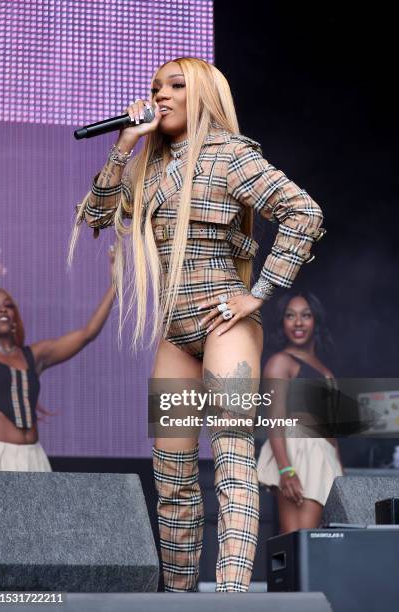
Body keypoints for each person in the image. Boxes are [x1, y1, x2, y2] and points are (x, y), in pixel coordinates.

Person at [73, 57, 324, 592]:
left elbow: (304, 212)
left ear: (204, 95)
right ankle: (180, 600)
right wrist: (124, 144)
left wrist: (258, 294)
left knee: (233, 460)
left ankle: (231, 597)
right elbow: (96, 217)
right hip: (175, 332)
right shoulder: (147, 166)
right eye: (154, 87)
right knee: (172, 476)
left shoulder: (231, 156)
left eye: (175, 86)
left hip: (222, 323)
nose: (159, 95)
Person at [0, 248, 116, 471]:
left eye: (8, 305)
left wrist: (115, 283)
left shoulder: (33, 356)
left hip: (33, 457)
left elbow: (87, 333)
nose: (2, 308)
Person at [257, 292, 343, 533]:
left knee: (323, 543)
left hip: (324, 455)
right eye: (290, 316)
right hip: (298, 452)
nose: (298, 322)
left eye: (305, 315)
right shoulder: (280, 362)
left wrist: (339, 471)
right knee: (302, 542)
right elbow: (274, 421)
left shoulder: (321, 365)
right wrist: (286, 470)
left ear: (315, 320)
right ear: (282, 322)